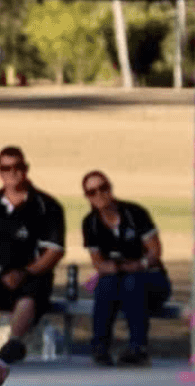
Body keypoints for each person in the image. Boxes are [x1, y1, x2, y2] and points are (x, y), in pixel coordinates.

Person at [79, 171, 170, 367]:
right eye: (92, 192)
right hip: (118, 279)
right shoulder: (91, 223)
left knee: (132, 282)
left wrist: (138, 265)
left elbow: (155, 252)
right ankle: (100, 346)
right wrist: (115, 267)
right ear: (87, 197)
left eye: (103, 188)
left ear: (110, 188)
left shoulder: (134, 213)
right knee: (106, 284)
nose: (99, 194)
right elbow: (98, 263)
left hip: (150, 279)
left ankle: (138, 348)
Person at [0, 146, 65, 365]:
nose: (12, 172)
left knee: (28, 296)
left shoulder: (46, 206)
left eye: (17, 167)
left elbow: (54, 251)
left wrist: (25, 272)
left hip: (32, 275)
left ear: (26, 169)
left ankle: (14, 344)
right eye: (5, 168)